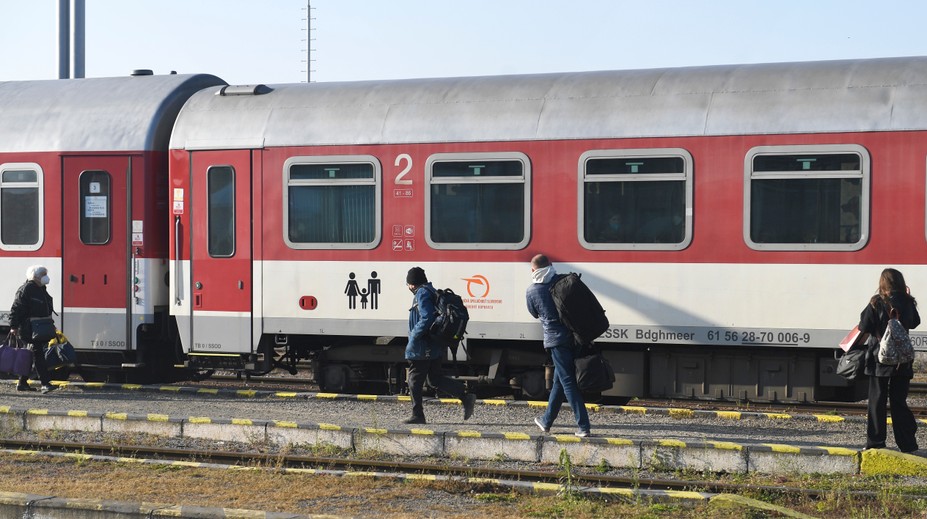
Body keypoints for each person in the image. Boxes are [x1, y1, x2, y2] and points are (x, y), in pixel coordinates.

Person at [526, 254, 591, 437]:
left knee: (568, 382)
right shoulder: (563, 281)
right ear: (551, 265)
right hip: (575, 337)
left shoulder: (532, 291)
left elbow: (534, 313)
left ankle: (583, 426)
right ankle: (546, 421)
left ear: (533, 270)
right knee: (559, 381)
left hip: (556, 341)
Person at [857, 268, 919, 453]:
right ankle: (907, 444)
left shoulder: (876, 302)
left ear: (882, 283)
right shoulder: (908, 302)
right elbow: (915, 322)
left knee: (877, 401)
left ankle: (876, 442)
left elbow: (864, 325)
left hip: (880, 359)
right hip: (902, 359)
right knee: (899, 402)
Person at [403, 266, 476, 424]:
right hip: (434, 345)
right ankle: (465, 396)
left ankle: (418, 415)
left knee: (414, 380)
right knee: (435, 379)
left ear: (412, 284)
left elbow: (427, 317)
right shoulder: (431, 290)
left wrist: (414, 335)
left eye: (408, 284)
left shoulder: (421, 293)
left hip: (422, 346)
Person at [9, 265, 57, 394]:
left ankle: (22, 383)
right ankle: (45, 383)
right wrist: (13, 326)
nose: (45, 277)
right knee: (38, 354)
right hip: (28, 327)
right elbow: (16, 308)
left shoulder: (41, 288)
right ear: (35, 276)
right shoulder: (26, 289)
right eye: (43, 274)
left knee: (31, 355)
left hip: (38, 327)